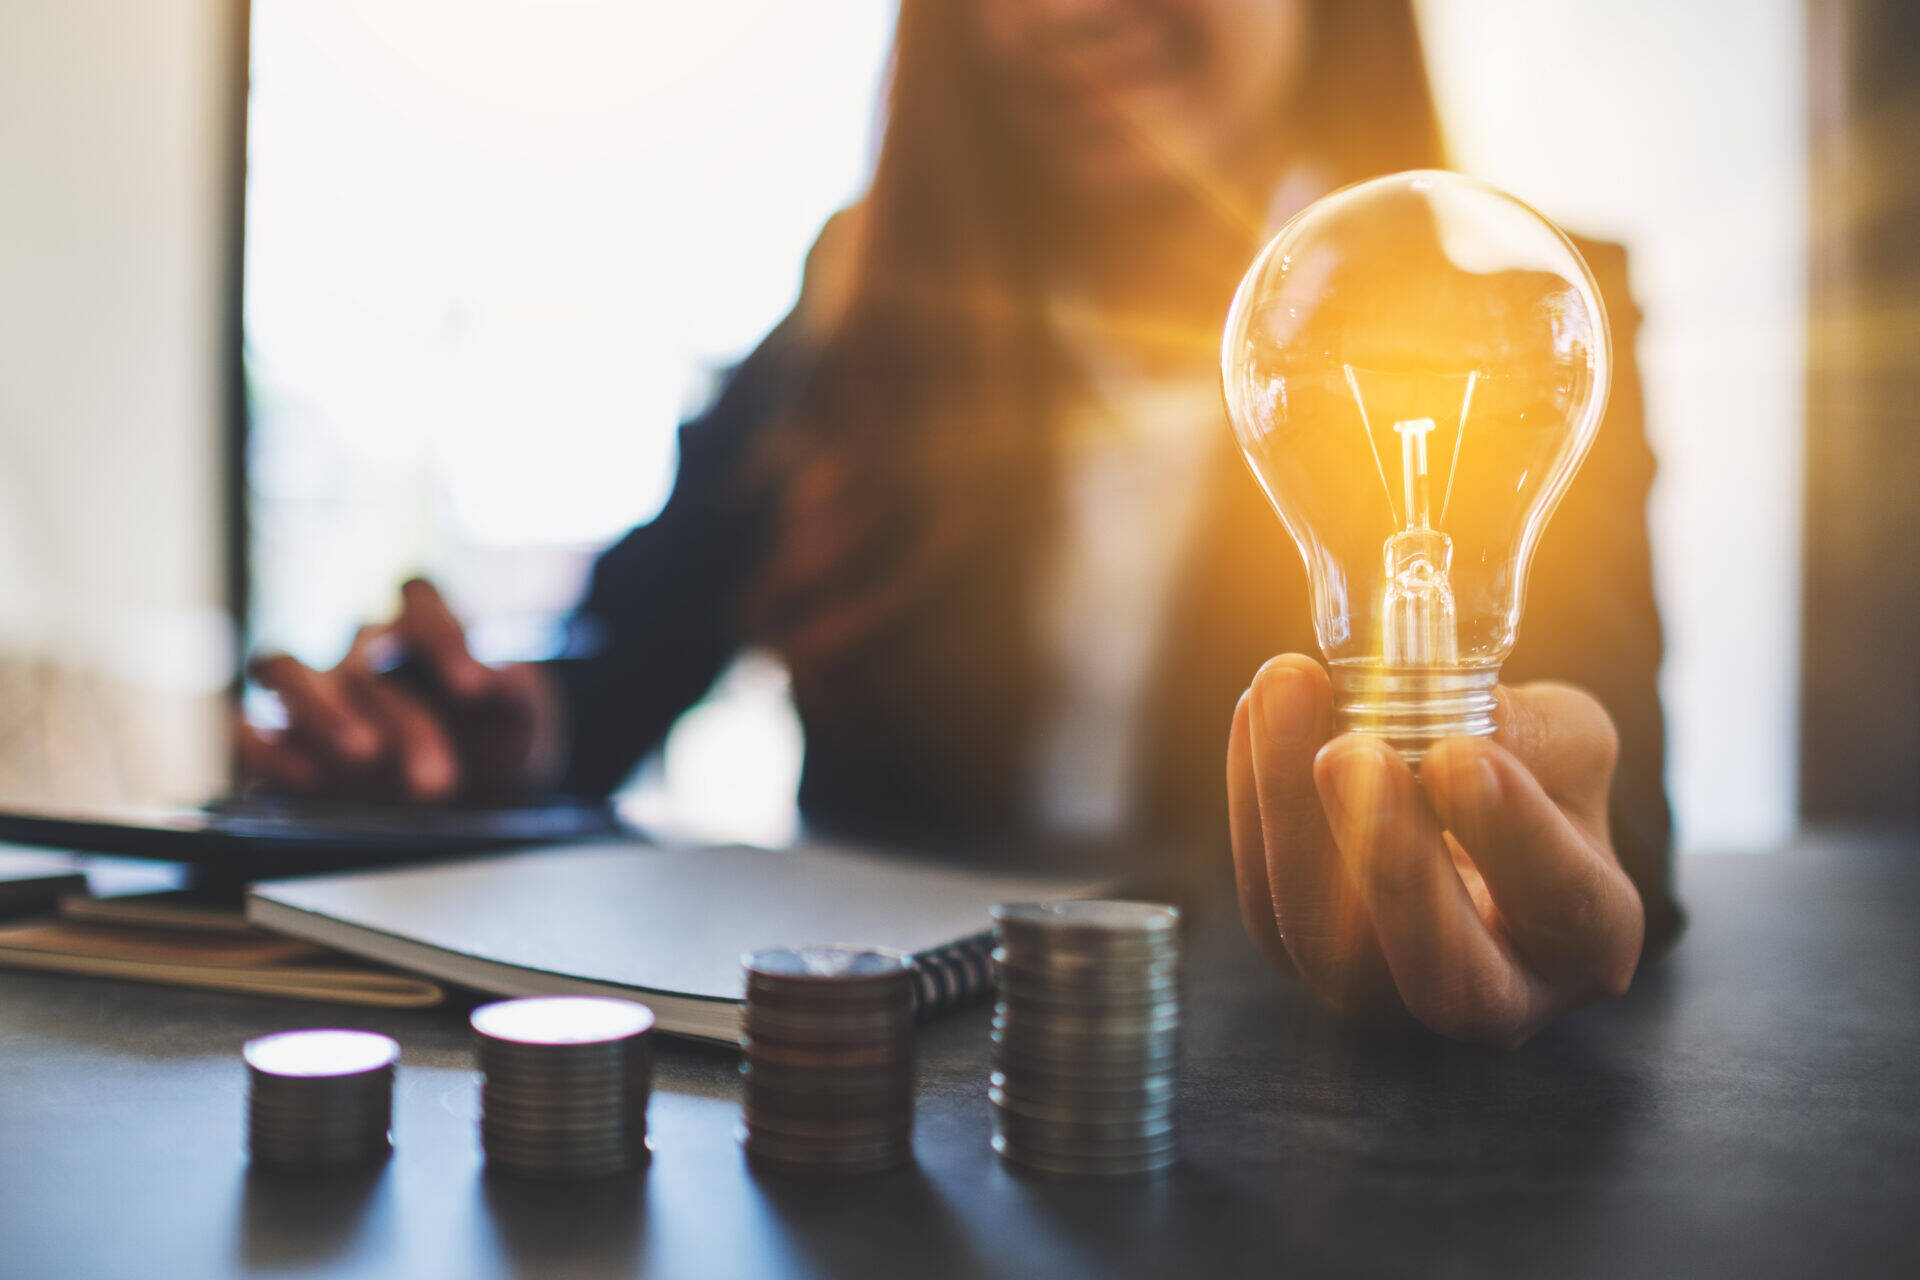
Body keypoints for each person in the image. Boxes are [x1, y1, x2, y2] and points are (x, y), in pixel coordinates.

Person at [237, 0, 1675, 1048]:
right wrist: (509, 730)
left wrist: (1536, 855)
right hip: (886, 1103)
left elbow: (1603, 784)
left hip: (1282, 1114)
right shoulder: (866, 299)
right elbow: (632, 646)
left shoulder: (1525, 312)